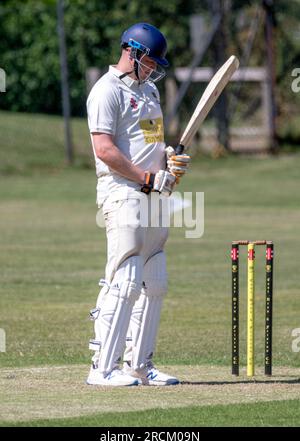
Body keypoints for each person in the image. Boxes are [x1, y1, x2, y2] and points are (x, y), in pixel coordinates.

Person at [86, 22, 190, 386]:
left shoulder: (150, 93)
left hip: (155, 195)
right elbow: (105, 149)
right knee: (126, 278)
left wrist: (168, 161)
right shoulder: (106, 91)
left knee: (155, 279)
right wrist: (145, 177)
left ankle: (140, 365)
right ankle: (102, 369)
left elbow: (147, 142)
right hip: (122, 192)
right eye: (150, 62)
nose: (154, 69)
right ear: (132, 52)